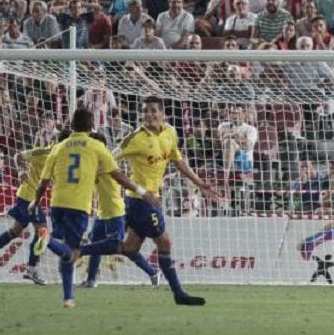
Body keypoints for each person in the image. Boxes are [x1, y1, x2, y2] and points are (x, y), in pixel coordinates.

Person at [78, 97, 218, 306]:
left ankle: (77, 251)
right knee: (164, 242)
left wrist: (200, 183)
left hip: (146, 201)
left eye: (153, 110)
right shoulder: (135, 138)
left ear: (162, 113)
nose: (149, 114)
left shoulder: (170, 133)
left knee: (129, 248)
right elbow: (110, 158)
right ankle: (178, 293)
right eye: (146, 111)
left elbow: (178, 161)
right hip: (141, 201)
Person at [28, 108, 150, 309]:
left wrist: (35, 201)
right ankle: (46, 239)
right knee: (71, 251)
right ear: (91, 125)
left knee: (66, 250)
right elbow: (118, 175)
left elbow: (44, 182)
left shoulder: (58, 147)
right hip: (78, 206)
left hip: (57, 204)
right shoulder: (96, 146)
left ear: (72, 125)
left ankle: (68, 297)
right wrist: (141, 191)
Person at [0, 130, 71, 284]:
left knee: (15, 231)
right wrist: (21, 171)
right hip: (28, 197)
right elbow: (18, 156)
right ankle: (31, 269)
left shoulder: (63, 156)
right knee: (43, 233)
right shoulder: (43, 153)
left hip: (30, 197)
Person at [80, 132, 160, 289]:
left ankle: (152, 272)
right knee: (96, 244)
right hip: (102, 212)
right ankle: (91, 280)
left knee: (121, 248)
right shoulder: (98, 161)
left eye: (92, 144)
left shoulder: (106, 162)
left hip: (115, 212)